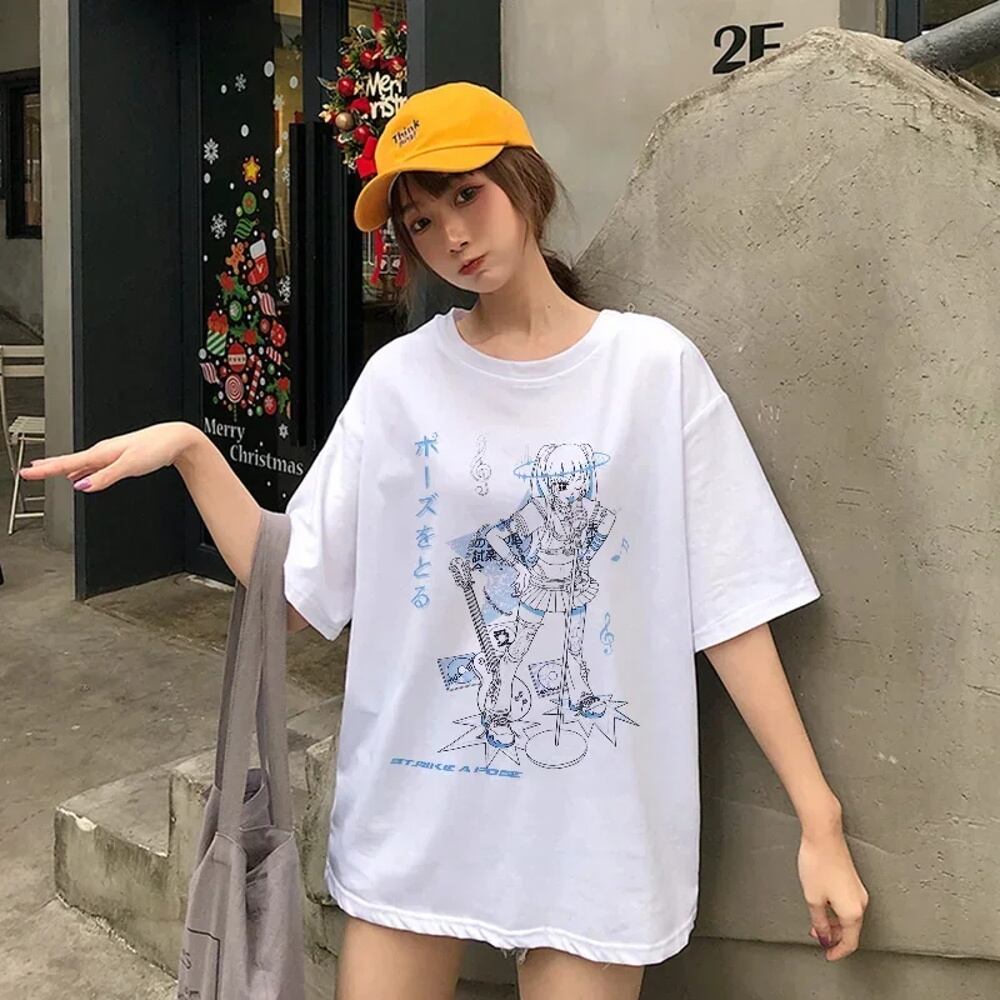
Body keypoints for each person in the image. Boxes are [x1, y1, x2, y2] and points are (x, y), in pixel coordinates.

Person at [22, 81, 869, 1000]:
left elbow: (731, 605)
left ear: (527, 182)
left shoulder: (653, 370)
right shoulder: (401, 380)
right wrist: (193, 451)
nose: (453, 236)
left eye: (469, 194)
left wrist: (818, 818)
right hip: (414, 818)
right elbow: (294, 596)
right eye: (422, 222)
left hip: (596, 833)